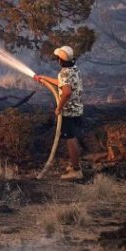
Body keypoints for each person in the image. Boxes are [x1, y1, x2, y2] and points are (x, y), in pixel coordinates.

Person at [34, 46, 84, 180]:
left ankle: (76, 170)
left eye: (58, 58)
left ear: (61, 61)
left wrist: (59, 108)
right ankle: (75, 165)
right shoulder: (74, 70)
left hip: (68, 111)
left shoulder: (64, 73)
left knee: (70, 139)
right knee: (73, 137)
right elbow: (63, 84)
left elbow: (66, 92)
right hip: (77, 109)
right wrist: (44, 79)